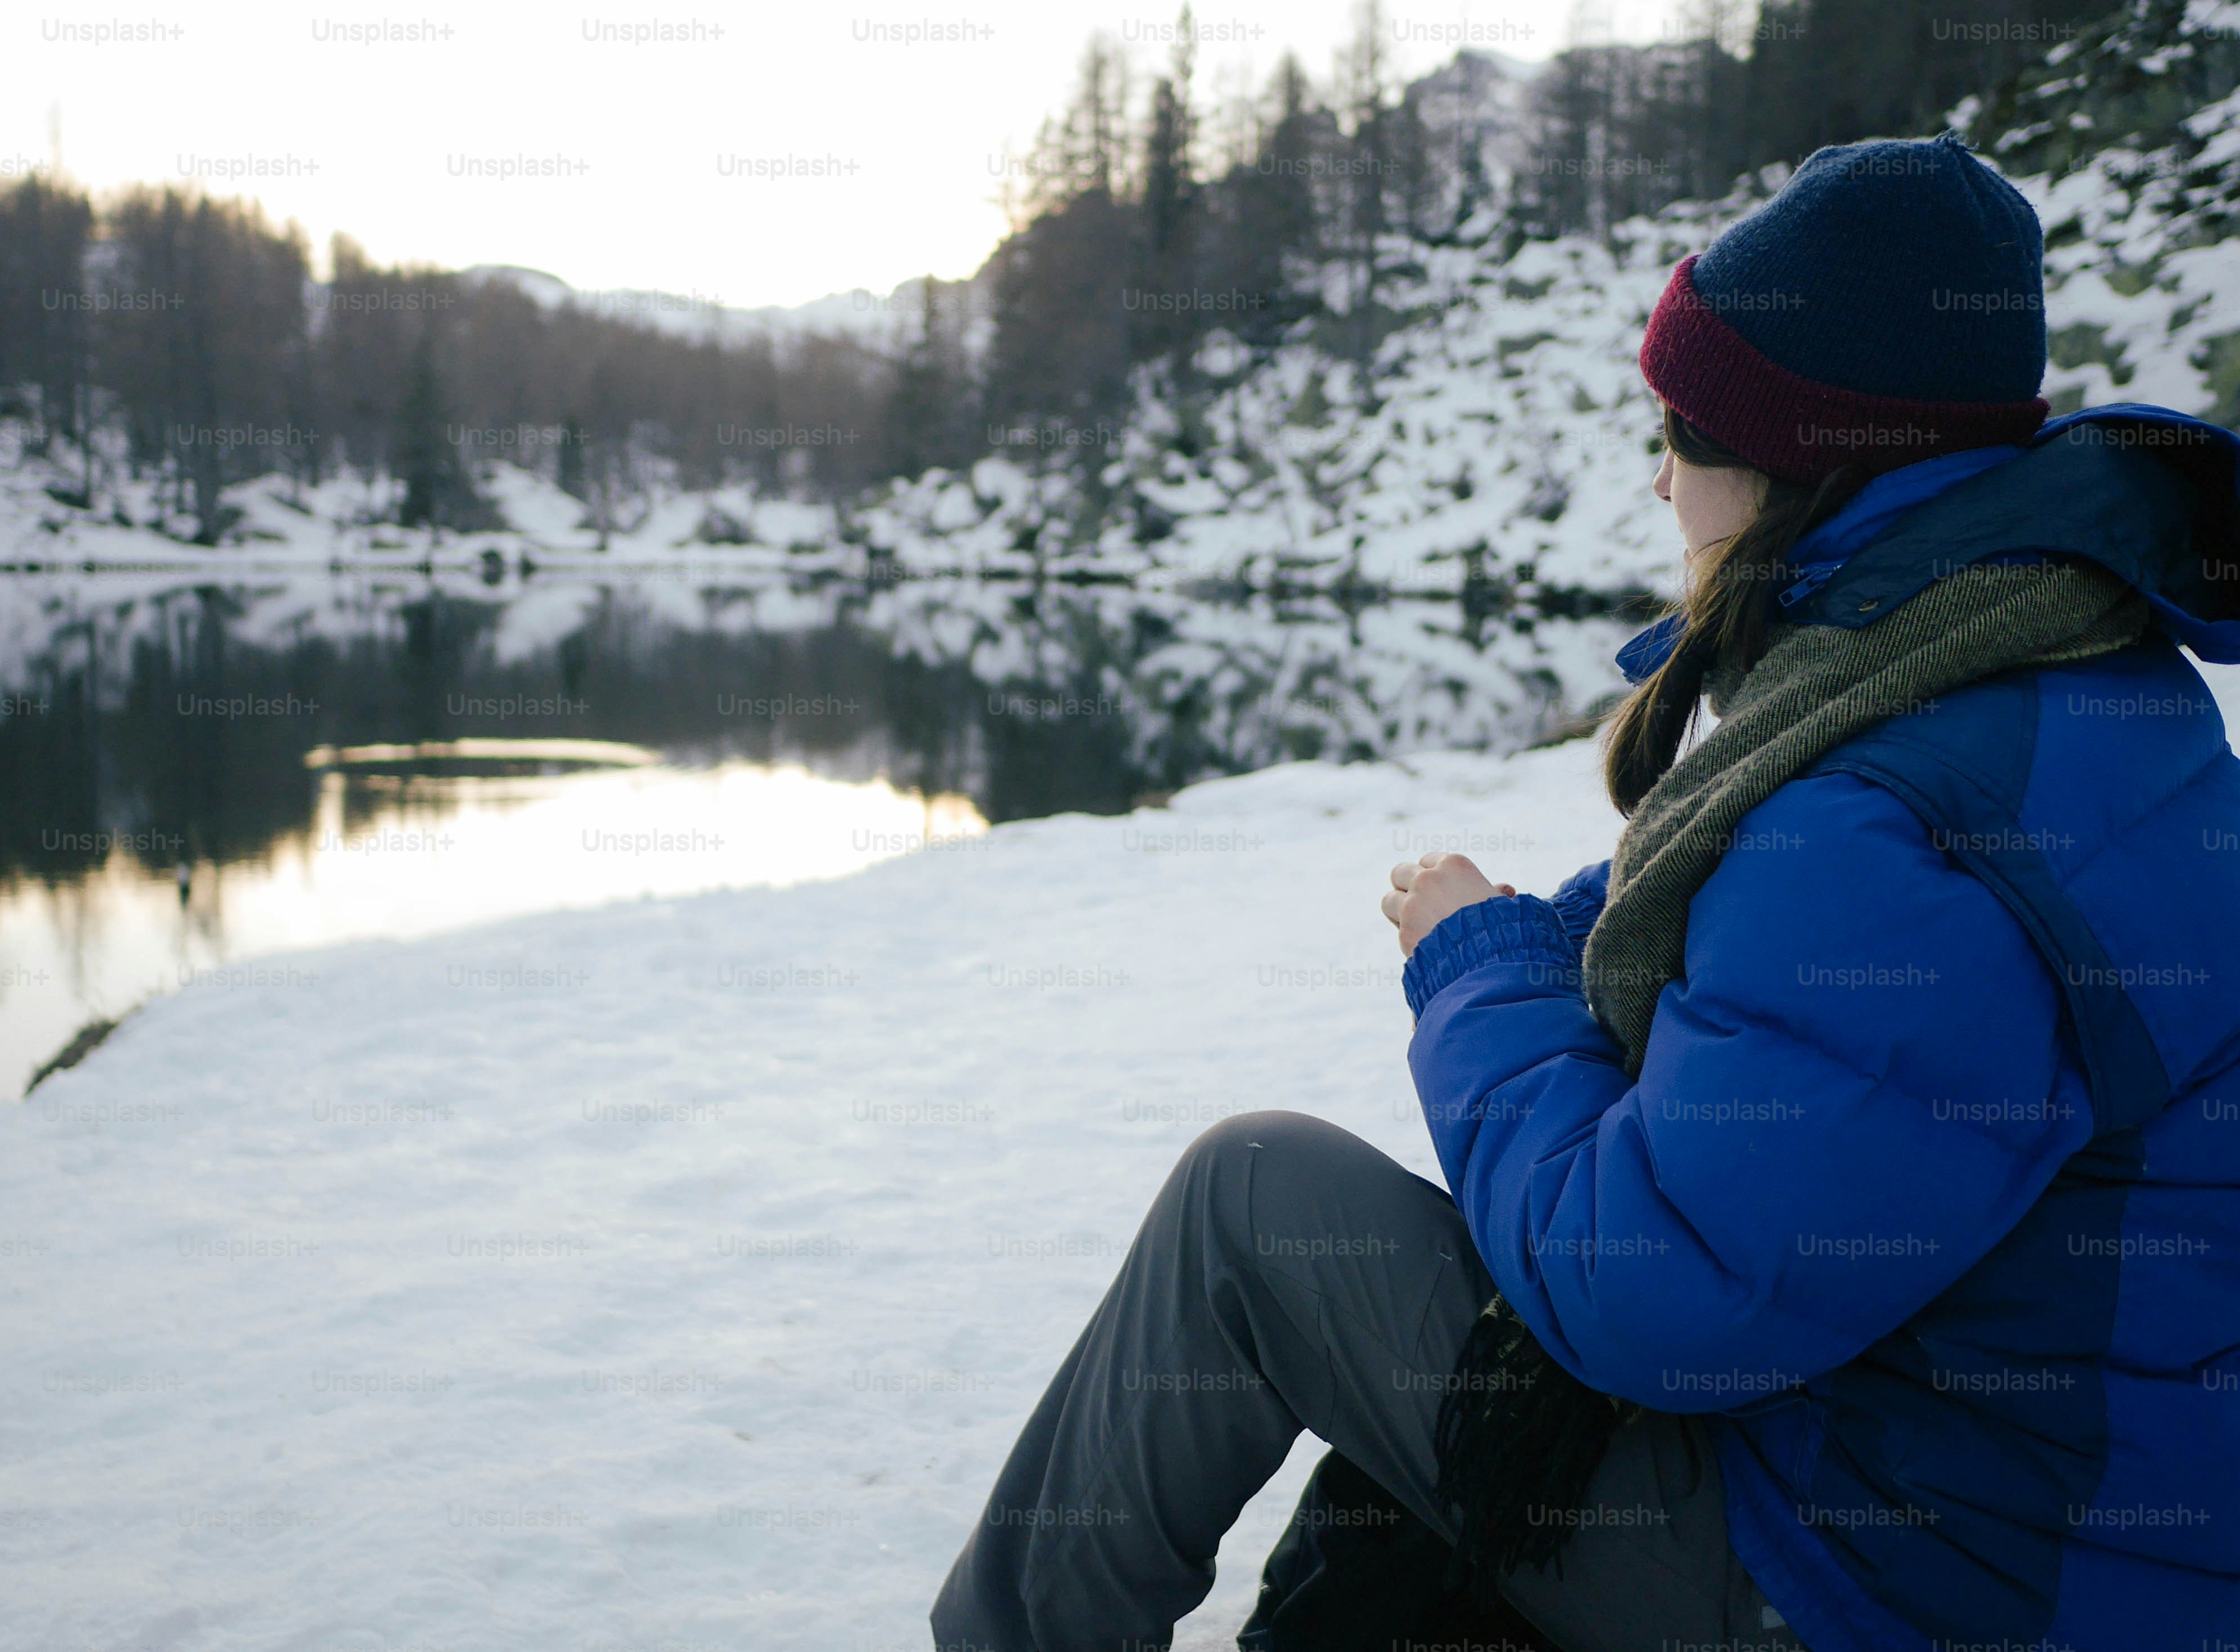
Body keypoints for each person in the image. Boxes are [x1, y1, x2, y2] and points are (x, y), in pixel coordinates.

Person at [929, 131, 2240, 1652]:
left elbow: (1653, 1294)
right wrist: (1544, 930)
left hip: (1908, 1590)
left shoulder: (1882, 814)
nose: (1662, 472)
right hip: (2047, 1526)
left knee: (1257, 1207)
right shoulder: (2060, 682)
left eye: (1681, 428)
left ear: (1785, 465)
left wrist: (1472, 966)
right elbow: (1774, 998)